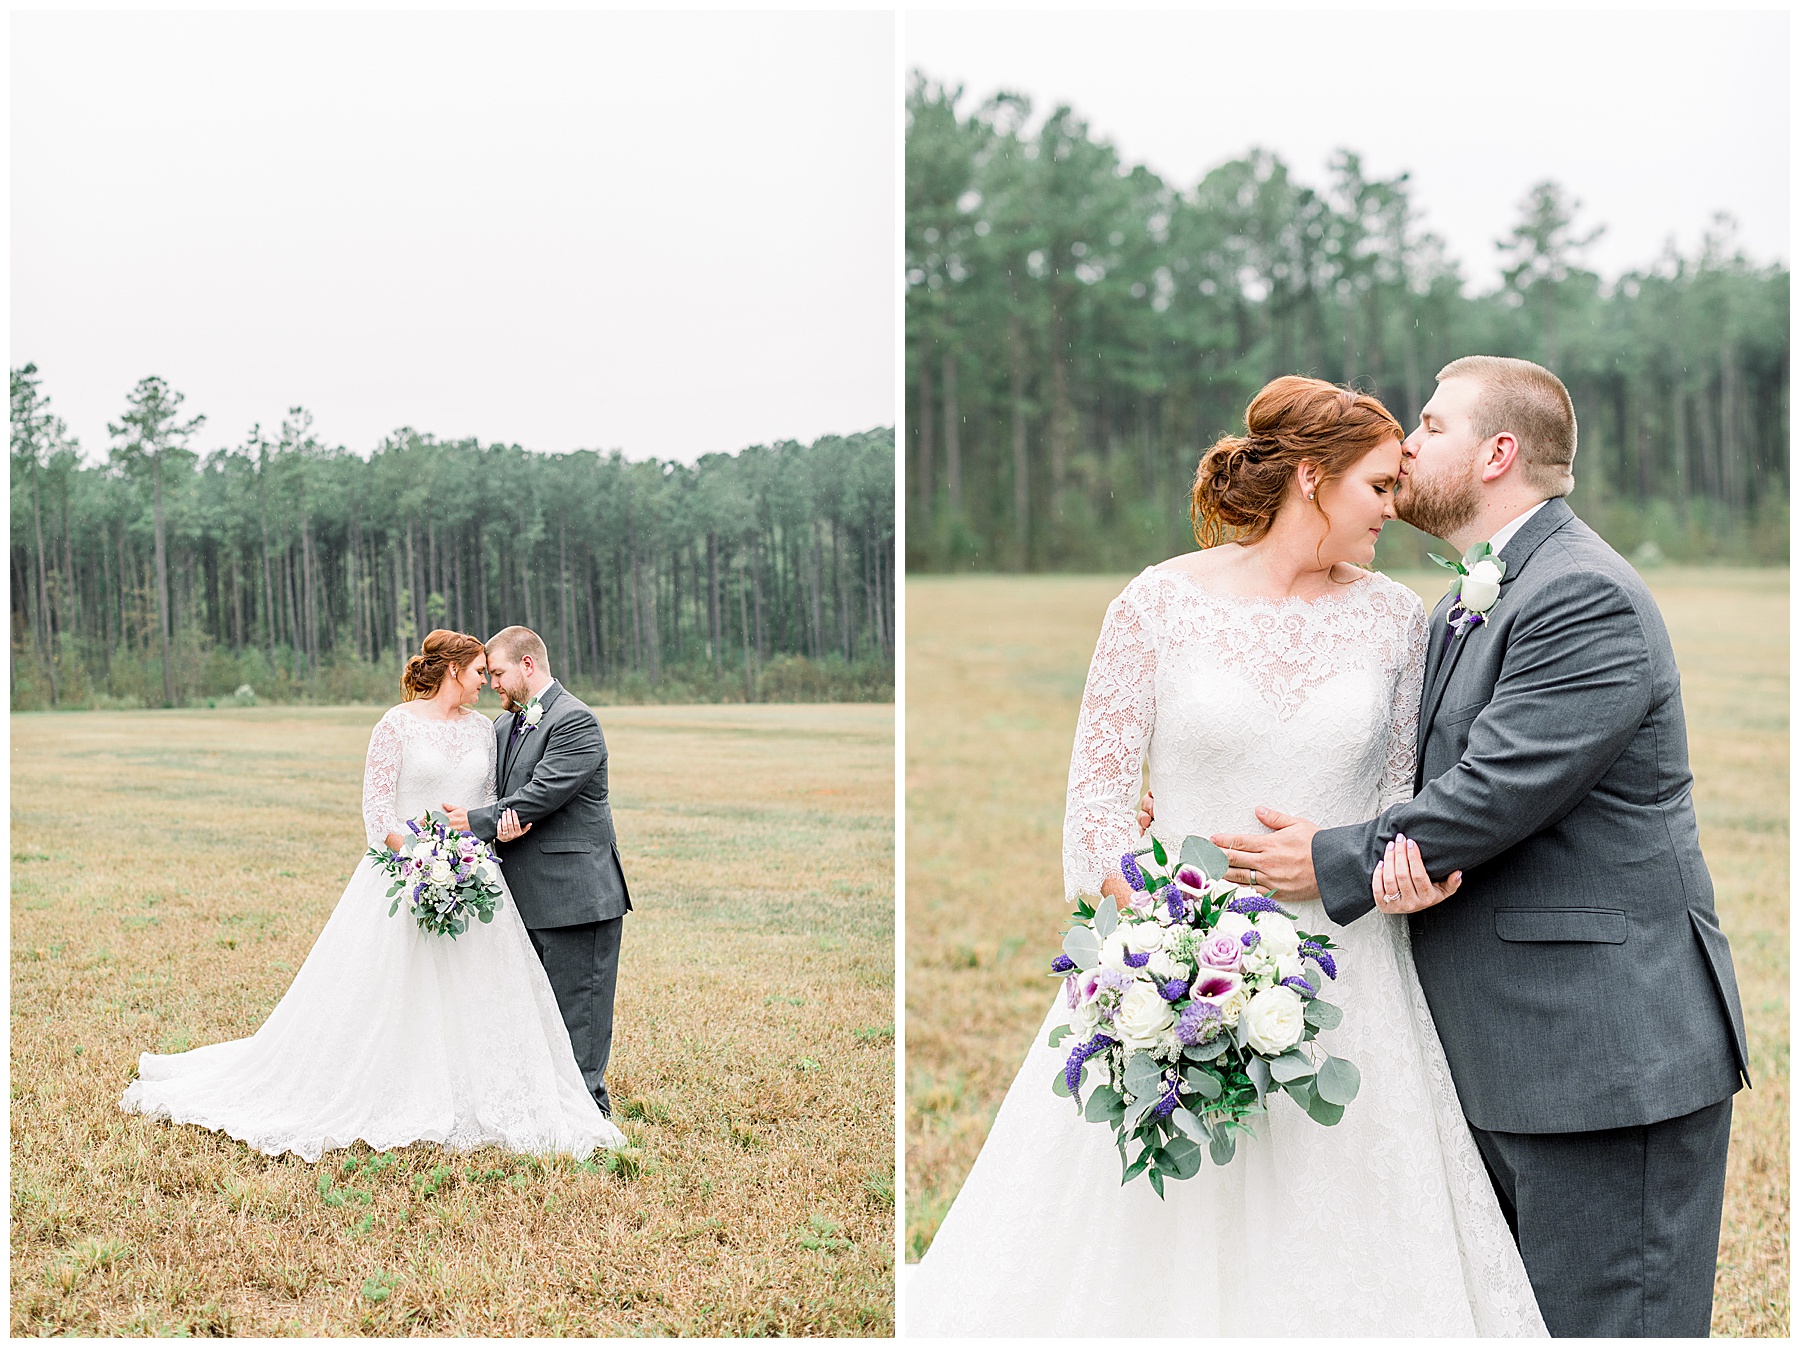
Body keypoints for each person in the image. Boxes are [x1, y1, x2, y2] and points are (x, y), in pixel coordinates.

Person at [906, 376, 1545, 1337]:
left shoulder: (1396, 620)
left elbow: (1396, 803)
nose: (1394, 506)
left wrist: (1400, 878)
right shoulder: (1157, 603)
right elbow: (1095, 815)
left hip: (1348, 971)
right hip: (1174, 952)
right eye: (1378, 486)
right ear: (1311, 477)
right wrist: (1169, 955)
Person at [1201, 356, 1749, 1338]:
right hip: (1512, 1052)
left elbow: (1494, 790)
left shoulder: (1583, 595)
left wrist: (1327, 860)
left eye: (1431, 424)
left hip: (1602, 1061)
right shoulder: (1478, 592)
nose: (1407, 445)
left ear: (1498, 454)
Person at [120, 630, 625, 1161]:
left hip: (472, 878)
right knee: (387, 997)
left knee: (485, 998)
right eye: (481, 672)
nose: (486, 683)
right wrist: (424, 857)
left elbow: (497, 800)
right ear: (454, 670)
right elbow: (377, 812)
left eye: (492, 673)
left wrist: (467, 853)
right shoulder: (396, 725)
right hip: (406, 873)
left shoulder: (488, 729)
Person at [439, 626, 631, 1119]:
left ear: (528, 665)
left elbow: (543, 792)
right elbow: (497, 792)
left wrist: (476, 821)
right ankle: (541, 1112)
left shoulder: (575, 721)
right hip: (522, 899)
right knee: (532, 1017)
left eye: (498, 672)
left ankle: (589, 1119)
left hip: (577, 899)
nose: (493, 684)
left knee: (579, 1018)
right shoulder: (504, 726)